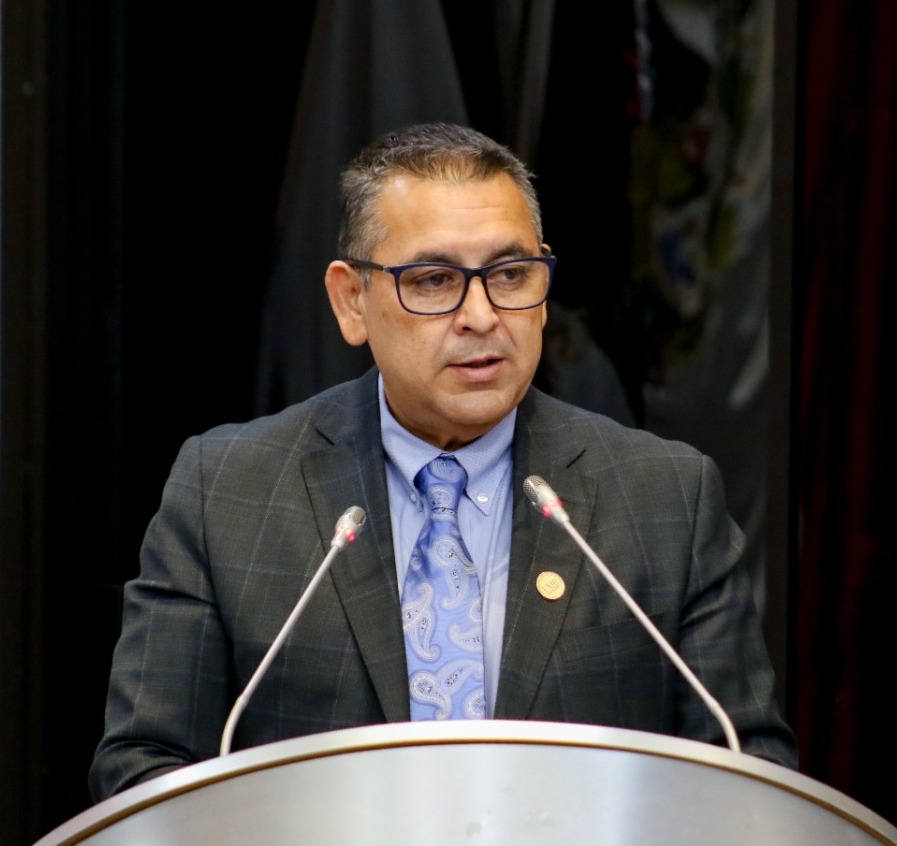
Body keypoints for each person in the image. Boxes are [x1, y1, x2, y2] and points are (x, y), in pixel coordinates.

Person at [89, 122, 796, 799]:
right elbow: (144, 770)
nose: (481, 316)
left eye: (510, 274)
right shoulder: (228, 491)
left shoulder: (665, 497)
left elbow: (745, 770)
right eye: (432, 280)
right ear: (351, 301)